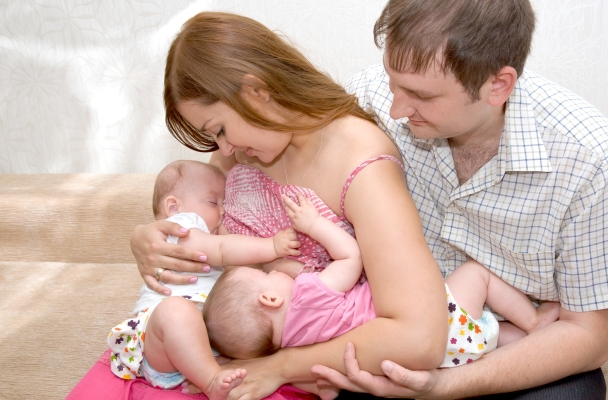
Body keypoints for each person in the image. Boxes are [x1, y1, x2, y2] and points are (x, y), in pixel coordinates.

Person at [71, 10, 448, 400]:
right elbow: (198, 227)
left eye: (218, 129)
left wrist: (277, 367)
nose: (223, 149)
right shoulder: (242, 152)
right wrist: (148, 236)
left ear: (256, 91)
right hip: (198, 351)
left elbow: (420, 337)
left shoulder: (361, 163)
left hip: (282, 369)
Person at [310, 0, 608, 398]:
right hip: (393, 330)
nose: (397, 108)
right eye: (392, 81)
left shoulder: (588, 157)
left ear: (497, 86)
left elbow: (590, 336)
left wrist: (445, 385)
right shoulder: (369, 101)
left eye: (422, 95)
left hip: (515, 347)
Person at [204, 193, 559, 371]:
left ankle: (529, 338)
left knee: (491, 338)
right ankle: (534, 321)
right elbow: (350, 257)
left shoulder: (295, 349)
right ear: (269, 299)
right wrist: (312, 225)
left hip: (444, 362)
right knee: (477, 274)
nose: (275, 272)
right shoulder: (309, 294)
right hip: (437, 324)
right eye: (267, 276)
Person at [106, 160, 301, 399]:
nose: (221, 211)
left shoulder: (207, 228)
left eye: (224, 204)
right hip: (161, 342)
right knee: (176, 311)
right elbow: (220, 249)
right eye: (213, 202)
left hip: (205, 343)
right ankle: (211, 382)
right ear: (173, 207)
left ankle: (213, 367)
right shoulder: (177, 228)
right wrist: (271, 246)